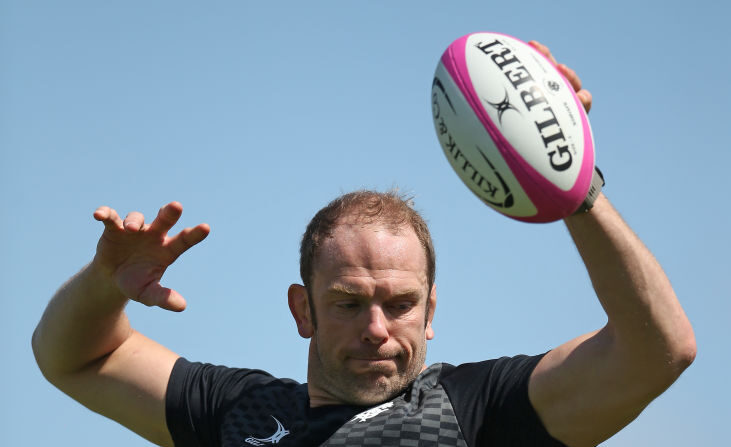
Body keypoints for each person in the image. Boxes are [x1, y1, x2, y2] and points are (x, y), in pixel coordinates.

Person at [32, 42, 695, 447]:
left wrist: (573, 188)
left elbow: (657, 350)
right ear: (302, 309)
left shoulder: (477, 413)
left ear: (430, 310)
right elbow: (74, 359)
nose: (377, 328)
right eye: (348, 303)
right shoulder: (240, 414)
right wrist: (101, 281)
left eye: (399, 303)